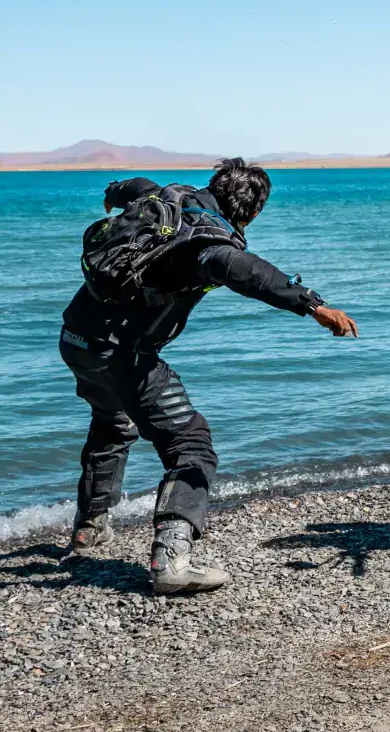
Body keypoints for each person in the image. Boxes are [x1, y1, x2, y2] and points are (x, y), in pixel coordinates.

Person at [59, 159, 357, 595]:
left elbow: (127, 185)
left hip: (76, 339)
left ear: (215, 185)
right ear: (255, 211)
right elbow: (244, 271)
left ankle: (89, 530)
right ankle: (171, 561)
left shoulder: (163, 197)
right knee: (192, 445)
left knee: (113, 422)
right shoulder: (209, 241)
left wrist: (112, 194)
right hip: (122, 352)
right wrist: (313, 306)